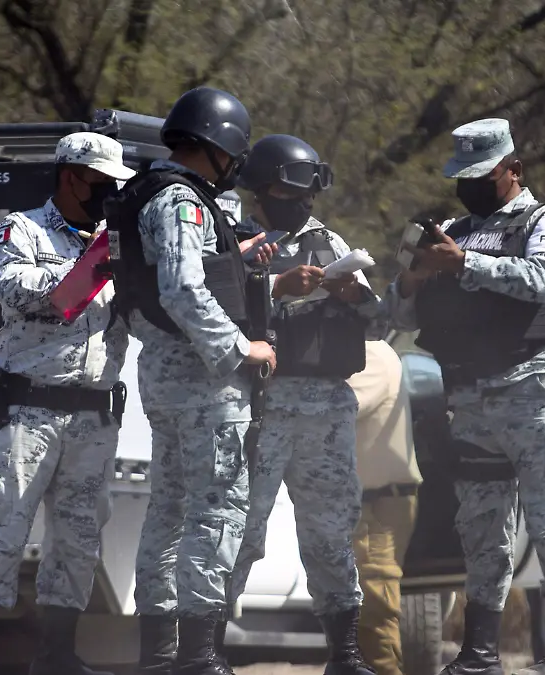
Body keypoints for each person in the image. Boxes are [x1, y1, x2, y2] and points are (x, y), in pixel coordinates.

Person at [387, 118, 545, 675]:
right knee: (481, 526)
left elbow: (544, 280)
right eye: (462, 176)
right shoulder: (455, 228)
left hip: (533, 389)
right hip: (471, 397)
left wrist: (465, 264)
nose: (470, 187)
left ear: (513, 171)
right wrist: (413, 279)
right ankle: (480, 651)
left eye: (482, 175)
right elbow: (399, 315)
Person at [102, 86, 277, 675]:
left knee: (171, 509)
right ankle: (199, 657)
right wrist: (241, 349)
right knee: (216, 509)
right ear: (218, 145)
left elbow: (178, 278)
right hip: (203, 376)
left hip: (166, 370)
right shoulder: (182, 201)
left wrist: (238, 260)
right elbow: (181, 290)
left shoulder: (153, 193)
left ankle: (161, 656)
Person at [0, 132, 138, 675]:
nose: (107, 195)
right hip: (30, 413)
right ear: (69, 175)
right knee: (2, 530)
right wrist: (92, 266)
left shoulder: (117, 242)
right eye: (100, 183)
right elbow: (18, 289)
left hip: (94, 415)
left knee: (79, 540)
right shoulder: (22, 228)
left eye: (113, 186)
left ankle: (57, 658)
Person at [226, 134, 379, 675]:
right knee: (240, 529)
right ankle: (205, 651)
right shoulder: (234, 238)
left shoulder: (329, 241)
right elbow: (208, 306)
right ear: (262, 189)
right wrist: (275, 286)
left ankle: (346, 653)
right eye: (293, 191)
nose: (303, 203)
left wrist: (354, 295)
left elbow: (379, 319)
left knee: (331, 530)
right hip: (260, 404)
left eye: (309, 193)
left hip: (326, 407)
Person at [345, 340, 423, 675]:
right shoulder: (365, 352)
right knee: (364, 611)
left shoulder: (370, 354)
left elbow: (337, 402)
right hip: (371, 502)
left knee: (375, 610)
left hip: (378, 505)